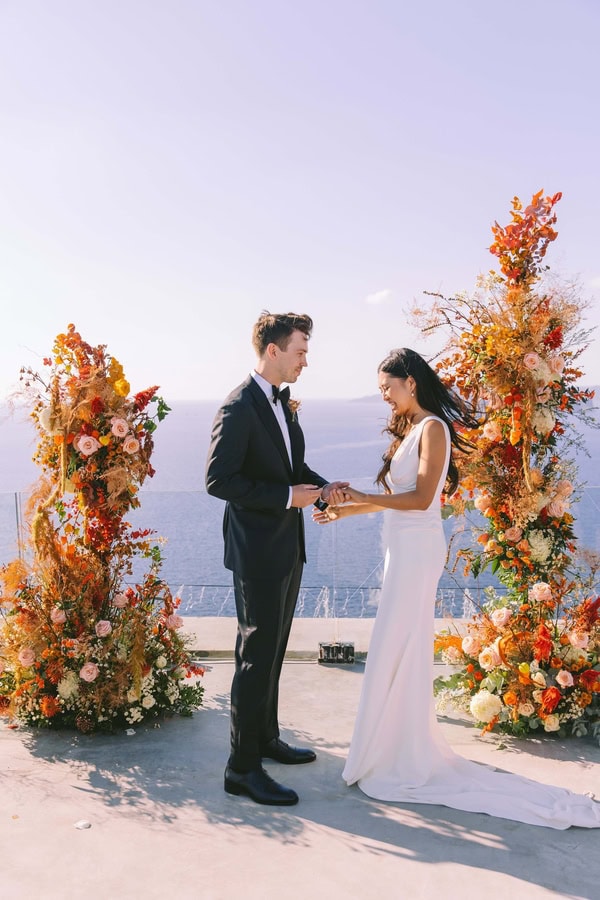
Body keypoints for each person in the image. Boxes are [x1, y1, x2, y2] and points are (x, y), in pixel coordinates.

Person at [313, 347, 600, 829]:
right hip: (399, 547)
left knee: (399, 642)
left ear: (412, 382)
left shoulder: (434, 429)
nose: (383, 395)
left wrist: (360, 494)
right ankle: (389, 748)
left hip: (418, 550)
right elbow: (393, 504)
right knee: (395, 643)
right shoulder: (408, 431)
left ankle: (401, 755)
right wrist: (342, 511)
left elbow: (422, 499)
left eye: (388, 386)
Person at [206, 311, 348, 807]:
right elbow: (218, 482)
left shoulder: (282, 405)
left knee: (274, 651)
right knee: (254, 658)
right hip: (257, 551)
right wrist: (290, 498)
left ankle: (264, 740)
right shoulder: (238, 406)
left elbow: (291, 469)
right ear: (272, 350)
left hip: (287, 547)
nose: (306, 361)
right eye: (300, 352)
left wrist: (324, 488)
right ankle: (240, 769)